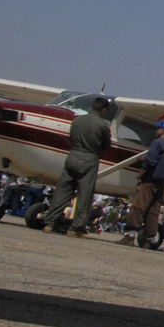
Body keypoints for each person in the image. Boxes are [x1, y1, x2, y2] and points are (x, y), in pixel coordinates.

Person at [43, 96, 114, 240]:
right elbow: (106, 145)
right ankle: (77, 228)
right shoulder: (102, 125)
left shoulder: (77, 120)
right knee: (85, 194)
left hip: (73, 154)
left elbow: (71, 137)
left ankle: (49, 223)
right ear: (104, 110)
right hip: (89, 157)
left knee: (63, 190)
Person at [125, 119, 164, 249]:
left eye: (159, 128)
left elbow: (150, 161)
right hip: (163, 183)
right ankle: (148, 239)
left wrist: (140, 174)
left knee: (139, 206)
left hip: (150, 180)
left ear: (163, 130)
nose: (157, 129)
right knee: (154, 211)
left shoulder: (157, 143)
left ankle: (130, 236)